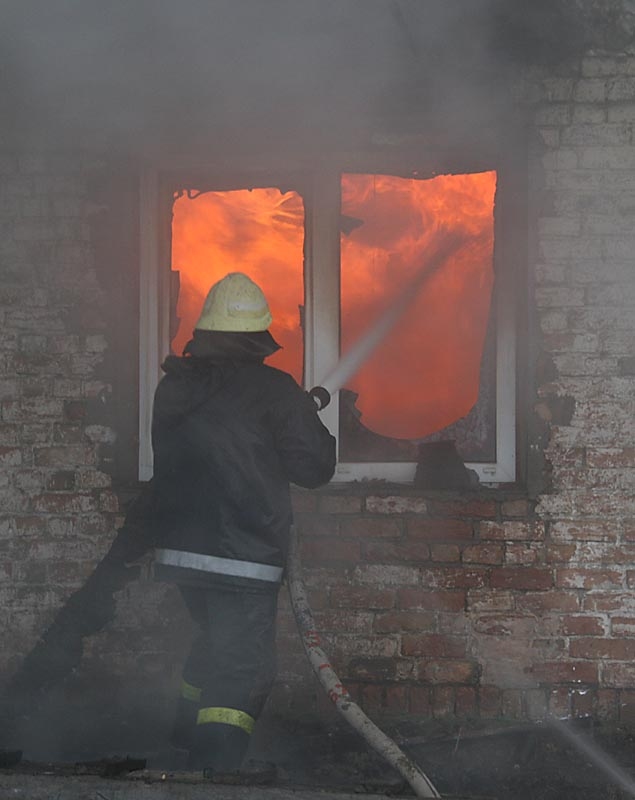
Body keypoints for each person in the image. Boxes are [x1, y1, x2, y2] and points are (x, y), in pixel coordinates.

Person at [150, 272, 336, 774]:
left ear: (207, 331)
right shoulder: (274, 391)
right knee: (242, 667)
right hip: (242, 558)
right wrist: (300, 414)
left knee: (213, 645)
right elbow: (314, 468)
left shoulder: (174, 388)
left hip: (180, 555)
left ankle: (183, 744)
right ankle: (215, 772)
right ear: (259, 336)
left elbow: (203, 445)